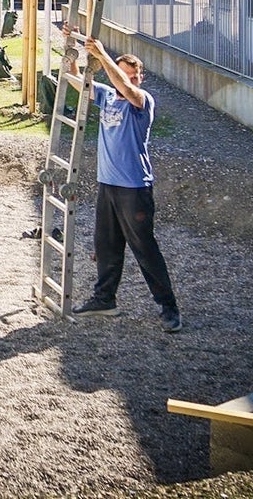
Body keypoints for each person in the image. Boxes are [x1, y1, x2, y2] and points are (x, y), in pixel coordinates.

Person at [70, 37, 182, 332]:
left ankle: (168, 307)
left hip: (134, 188)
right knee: (106, 245)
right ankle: (105, 299)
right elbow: (76, 83)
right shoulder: (106, 95)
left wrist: (104, 56)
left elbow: (129, 91)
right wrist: (71, 48)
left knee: (144, 248)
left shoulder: (142, 102)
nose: (127, 80)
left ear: (140, 78)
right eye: (123, 74)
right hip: (107, 183)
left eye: (133, 76)